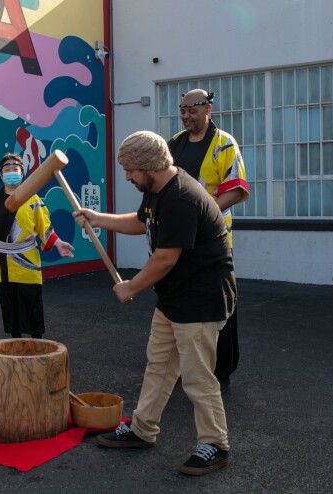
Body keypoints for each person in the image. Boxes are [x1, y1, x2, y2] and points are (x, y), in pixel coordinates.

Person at [73, 131, 236, 476]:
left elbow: (164, 259)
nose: (128, 177)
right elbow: (140, 221)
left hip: (201, 300)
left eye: (131, 170)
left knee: (196, 378)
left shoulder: (180, 197)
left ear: (148, 165)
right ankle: (142, 430)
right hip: (175, 297)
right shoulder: (157, 190)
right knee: (159, 366)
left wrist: (131, 286)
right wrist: (98, 218)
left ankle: (215, 444)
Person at [168, 89, 250, 391]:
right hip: (179, 237)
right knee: (180, 299)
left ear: (208, 109)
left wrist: (203, 214)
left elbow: (237, 188)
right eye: (183, 110)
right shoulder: (174, 144)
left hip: (213, 238)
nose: (187, 115)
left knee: (219, 302)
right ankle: (182, 365)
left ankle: (221, 370)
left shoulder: (223, 143)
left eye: (193, 109)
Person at [0, 153, 74, 338]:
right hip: (1, 261)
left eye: (15, 170)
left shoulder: (34, 200)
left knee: (32, 302)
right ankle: (15, 343)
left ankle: (37, 342)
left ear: (22, 173)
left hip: (27, 260)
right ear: (1, 175)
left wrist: (58, 243)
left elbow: (45, 227)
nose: (11, 173)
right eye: (7, 170)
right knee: (9, 305)